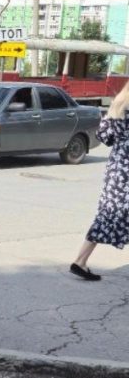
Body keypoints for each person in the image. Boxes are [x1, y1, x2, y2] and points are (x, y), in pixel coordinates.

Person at [71, 81, 129, 281]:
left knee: (107, 215)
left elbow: (103, 137)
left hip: (116, 172)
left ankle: (80, 261)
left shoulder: (117, 108)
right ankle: (79, 262)